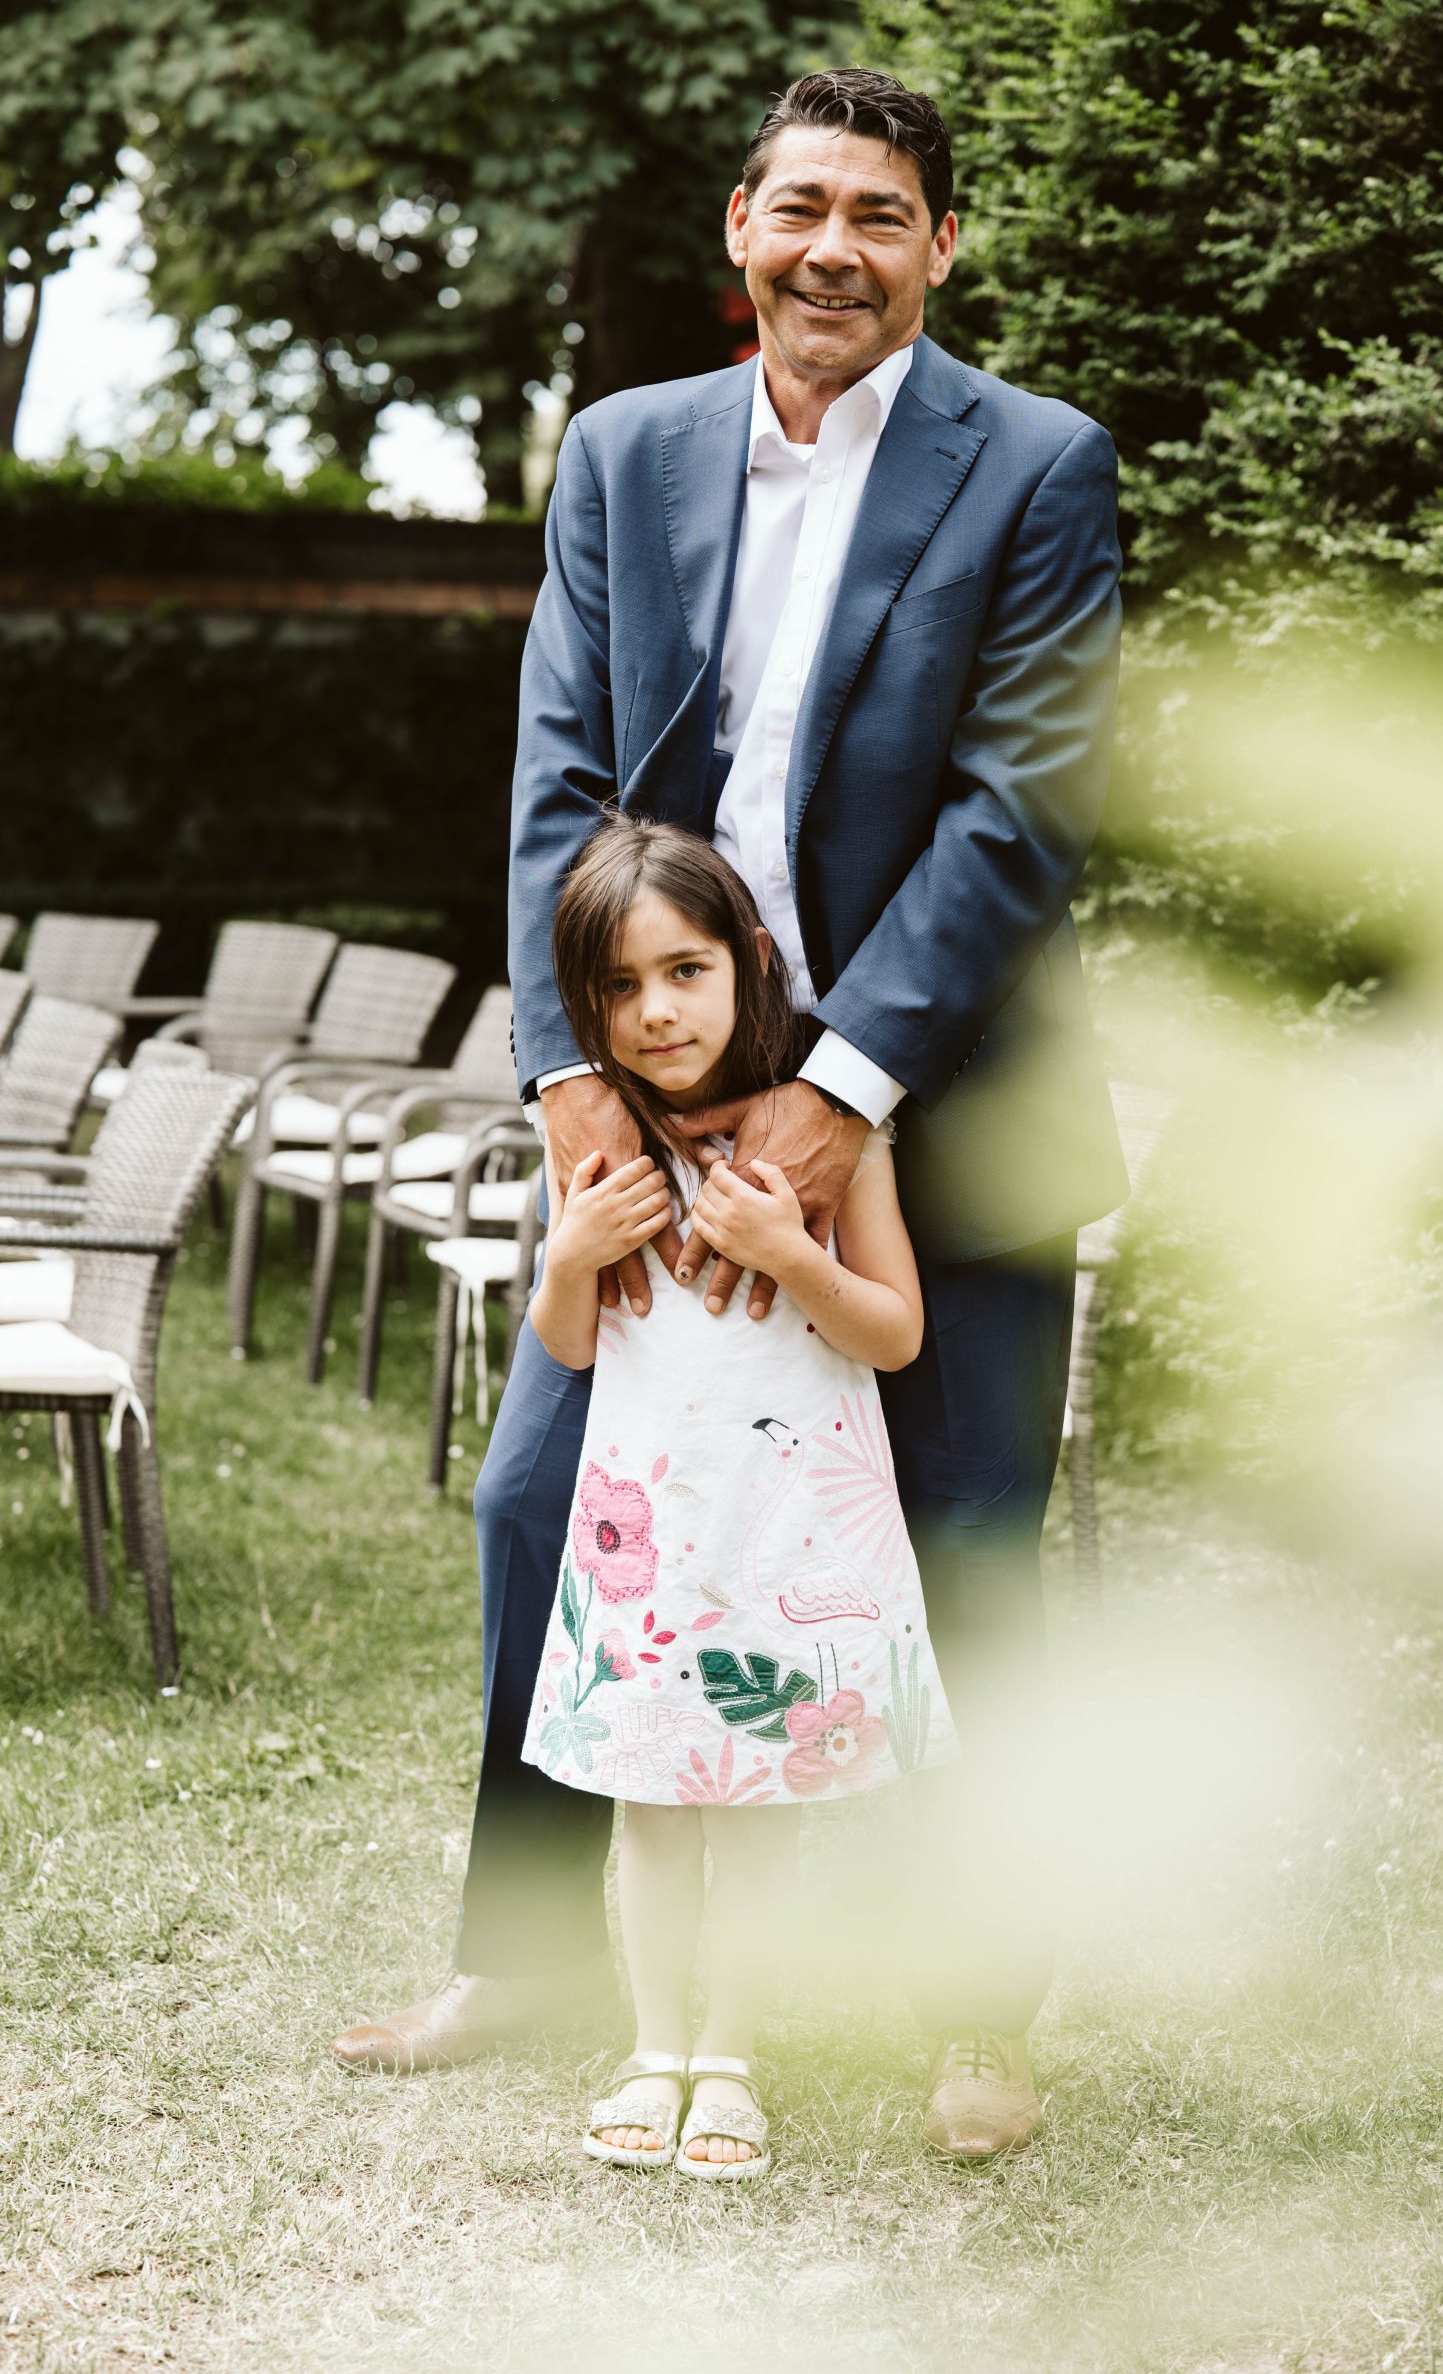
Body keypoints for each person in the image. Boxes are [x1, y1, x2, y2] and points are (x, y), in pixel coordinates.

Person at [333, 65, 1126, 2161]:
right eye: (799, 209)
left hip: (948, 1098)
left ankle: (978, 2012)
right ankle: (533, 1953)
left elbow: (1021, 810)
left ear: (940, 246)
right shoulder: (625, 451)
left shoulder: (1037, 463)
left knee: (963, 1543)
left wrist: (844, 1087)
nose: (832, 251)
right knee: (540, 1505)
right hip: (657, 1088)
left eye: (880, 215)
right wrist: (570, 1076)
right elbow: (558, 779)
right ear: (739, 231)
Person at [519, 814, 955, 2179]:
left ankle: (732, 2058)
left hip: (787, 1529)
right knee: (653, 1803)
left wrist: (790, 1252)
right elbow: (569, 1347)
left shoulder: (831, 1142)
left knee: (760, 1811)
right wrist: (570, 1256)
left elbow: (894, 1334)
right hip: (651, 1532)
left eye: (685, 971)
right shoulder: (597, 1140)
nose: (656, 1011)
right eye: (620, 986)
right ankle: (656, 2048)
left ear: (751, 961)